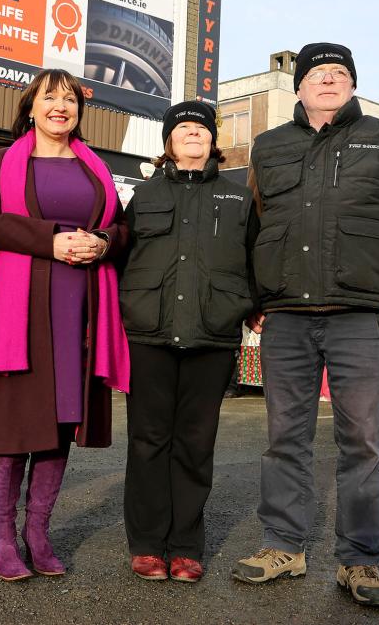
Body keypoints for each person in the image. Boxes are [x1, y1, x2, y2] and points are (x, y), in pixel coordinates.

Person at [231, 43, 379, 607]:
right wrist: (254, 297)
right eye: (317, 73)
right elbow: (253, 226)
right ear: (299, 86)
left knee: (362, 442)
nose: (328, 80)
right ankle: (283, 545)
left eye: (339, 73)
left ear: (352, 85)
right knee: (285, 439)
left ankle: (360, 560)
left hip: (362, 317)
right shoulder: (269, 146)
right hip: (288, 317)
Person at [0, 69, 129, 581]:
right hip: (22, 308)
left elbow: (123, 227)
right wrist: (51, 240)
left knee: (62, 421)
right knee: (15, 422)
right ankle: (1, 534)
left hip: (79, 308)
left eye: (69, 101)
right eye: (49, 98)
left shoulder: (95, 169)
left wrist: (103, 242)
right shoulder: (0, 162)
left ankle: (38, 532)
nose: (60, 107)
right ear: (31, 107)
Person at [120, 101, 258, 583]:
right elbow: (122, 256)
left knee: (196, 444)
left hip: (213, 335)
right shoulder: (144, 195)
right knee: (148, 441)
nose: (193, 134)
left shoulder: (238, 199)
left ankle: (185, 546)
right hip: (149, 334)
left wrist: (253, 308)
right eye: (183, 129)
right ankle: (147, 544)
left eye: (201, 128)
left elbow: (255, 260)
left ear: (212, 141)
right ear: (168, 143)